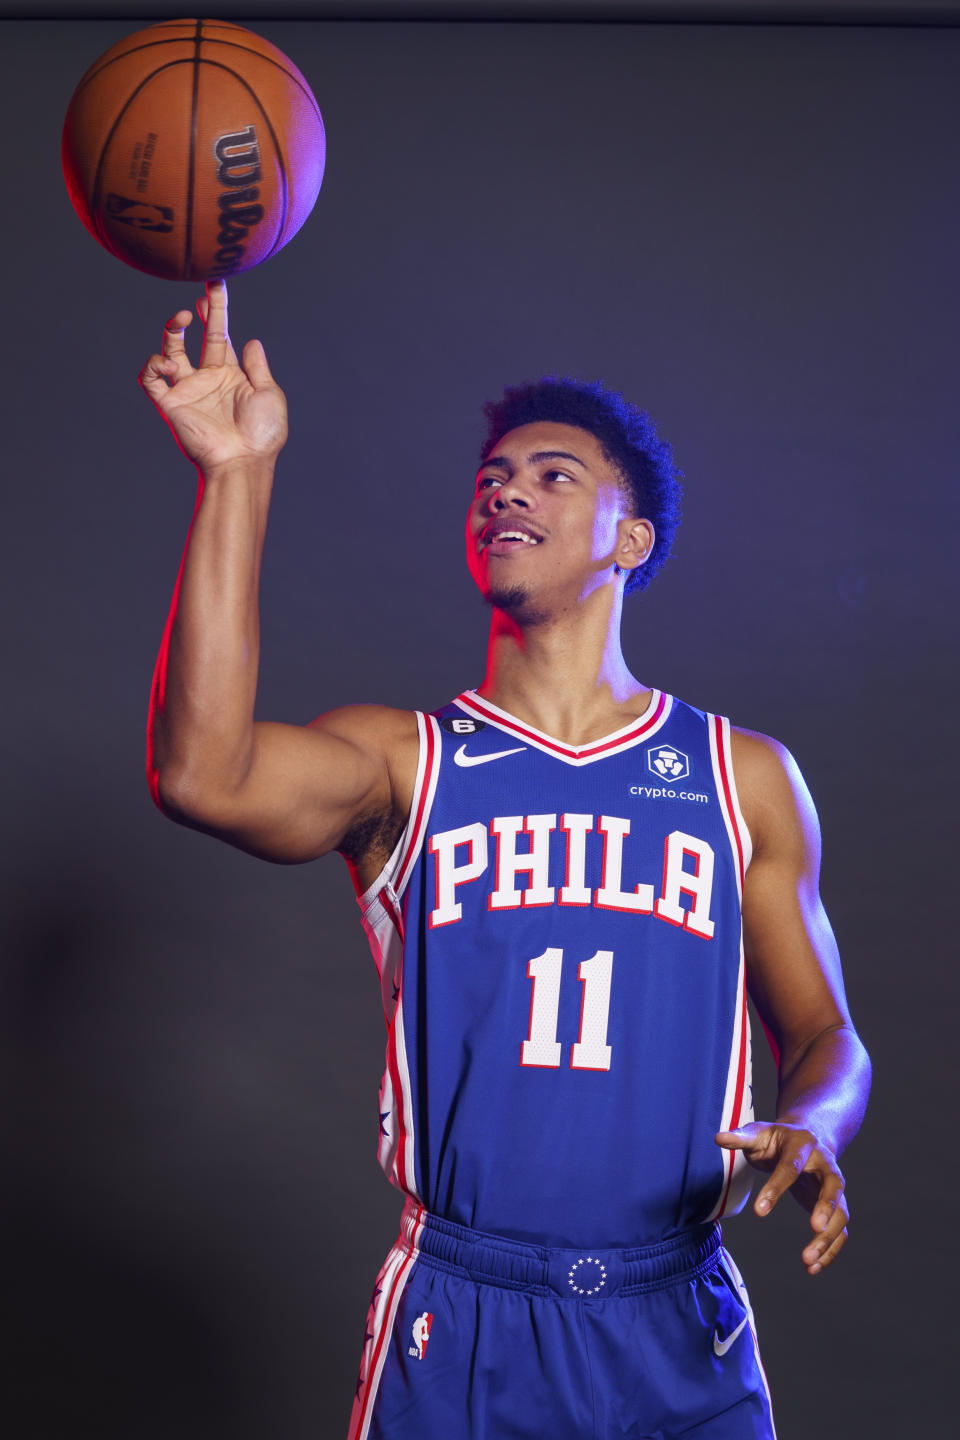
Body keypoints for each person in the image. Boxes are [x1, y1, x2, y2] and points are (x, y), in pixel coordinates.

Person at [140, 280, 871, 1440]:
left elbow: (829, 1037)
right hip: (462, 1307)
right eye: (491, 479)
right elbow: (202, 775)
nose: (506, 491)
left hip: (675, 1307)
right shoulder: (404, 763)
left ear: (630, 539)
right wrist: (235, 470)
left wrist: (819, 1124)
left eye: (551, 475)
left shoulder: (741, 778)